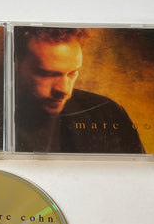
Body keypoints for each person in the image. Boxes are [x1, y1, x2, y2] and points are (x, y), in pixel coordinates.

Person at [14, 27, 144, 153]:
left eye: (72, 73)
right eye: (48, 74)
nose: (64, 90)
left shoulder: (109, 113)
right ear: (15, 64)